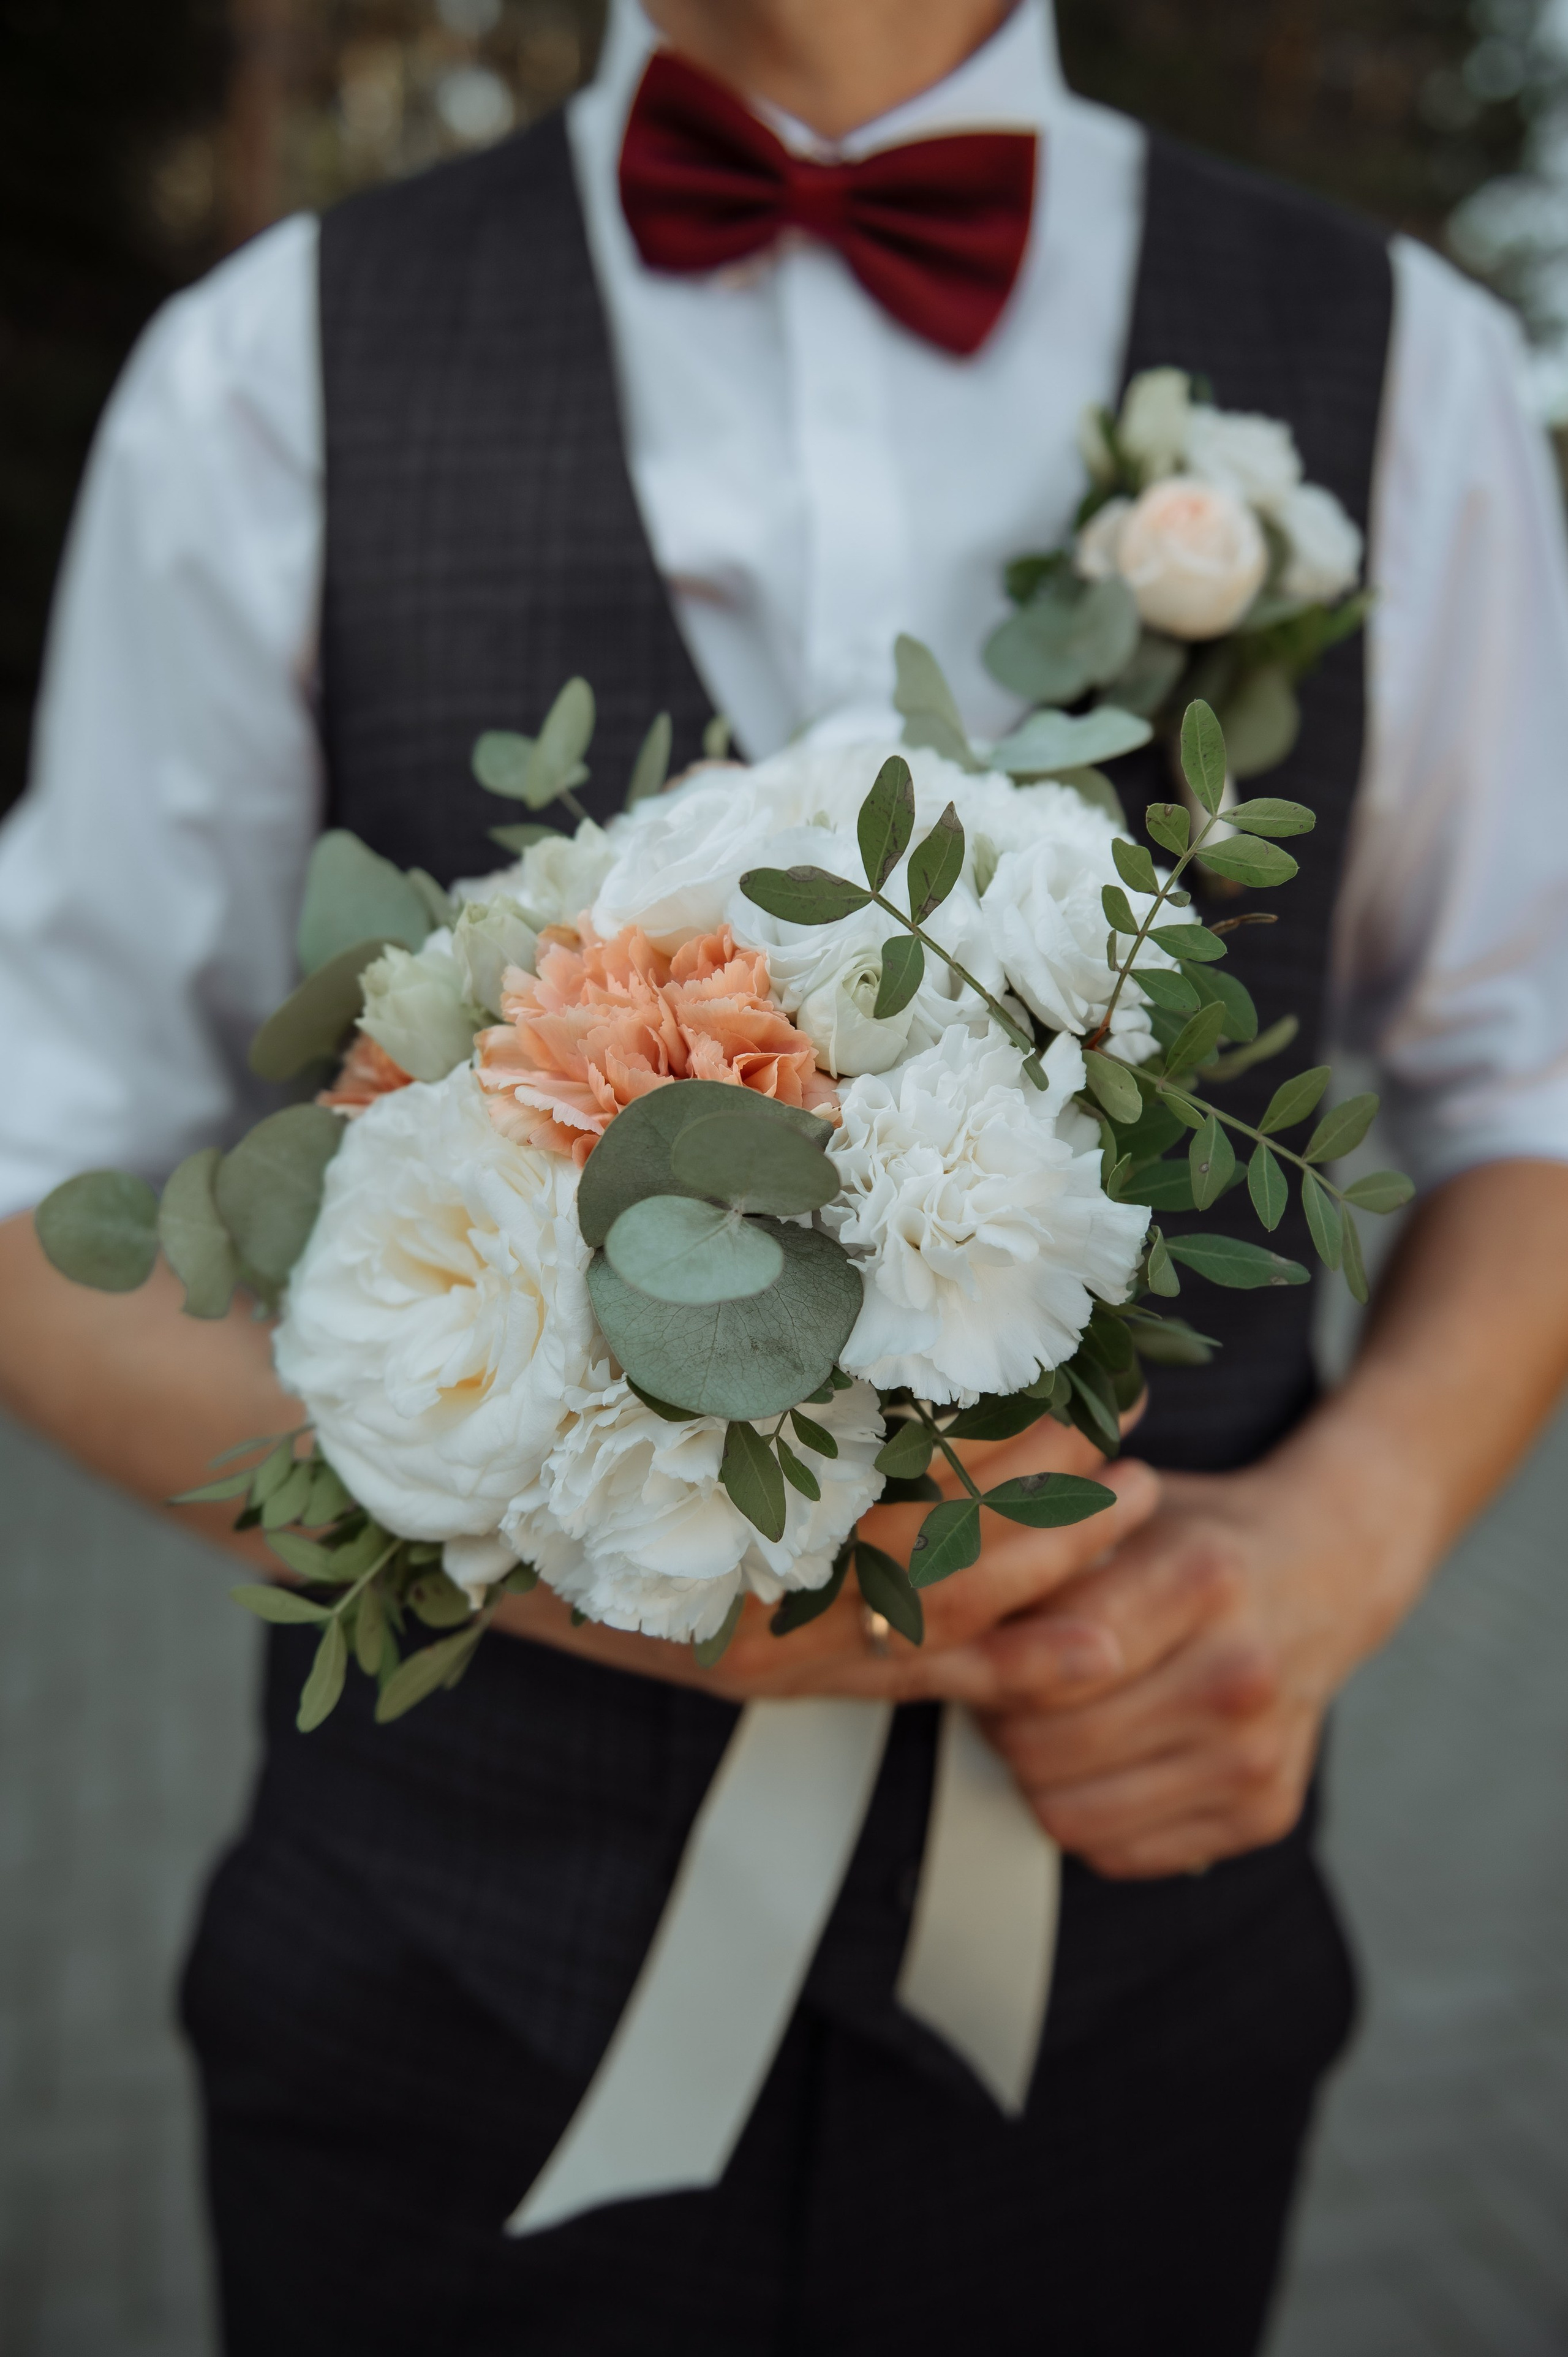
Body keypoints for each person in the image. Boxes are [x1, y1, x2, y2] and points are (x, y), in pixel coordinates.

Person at [4, 1, 1568, 2348]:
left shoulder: (1401, 365)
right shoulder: (267, 370)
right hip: (443, 2017)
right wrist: (544, 1547)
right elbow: (36, 1174)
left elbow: (1528, 1079)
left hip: (1134, 2007)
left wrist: (1345, 1548)